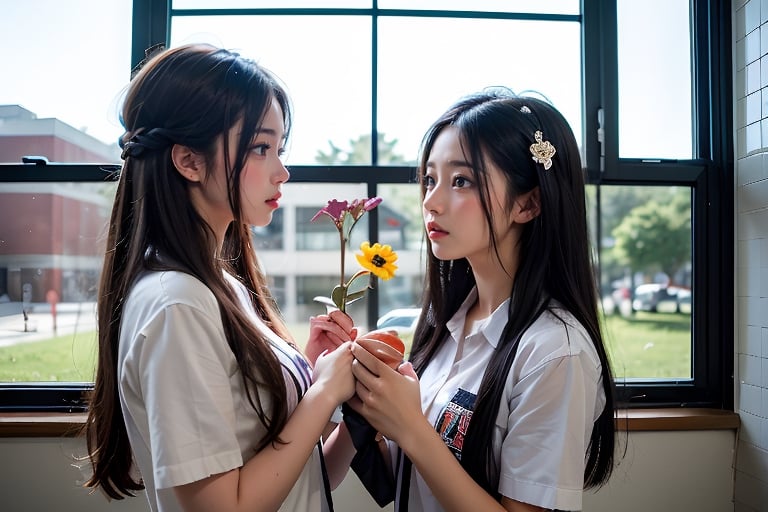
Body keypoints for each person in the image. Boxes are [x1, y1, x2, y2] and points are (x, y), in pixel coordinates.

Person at [82, 43, 357, 512]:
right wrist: (325, 391)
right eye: (260, 148)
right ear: (188, 161)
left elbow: (300, 483)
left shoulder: (220, 285)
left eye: (279, 148)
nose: (282, 171)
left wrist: (340, 397)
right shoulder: (177, 304)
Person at [346, 90, 616, 511]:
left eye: (462, 181)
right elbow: (404, 480)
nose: (431, 202)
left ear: (529, 203)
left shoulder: (555, 352)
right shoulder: (447, 320)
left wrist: (412, 428)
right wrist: (359, 391)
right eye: (430, 179)